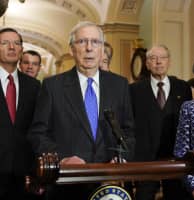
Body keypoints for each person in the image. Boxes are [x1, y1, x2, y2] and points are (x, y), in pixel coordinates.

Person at [27, 21, 135, 199]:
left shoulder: (119, 84)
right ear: (71, 49)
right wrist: (62, 159)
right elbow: (38, 134)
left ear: (102, 49)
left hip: (109, 183)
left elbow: (128, 131)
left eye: (95, 42)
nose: (89, 48)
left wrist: (121, 158)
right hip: (67, 184)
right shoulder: (53, 86)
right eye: (82, 42)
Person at [129, 44, 192, 200]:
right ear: (147, 64)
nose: (158, 62)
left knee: (177, 196)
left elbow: (189, 123)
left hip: (176, 158)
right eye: (153, 58)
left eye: (163, 58)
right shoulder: (134, 90)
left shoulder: (182, 87)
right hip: (145, 159)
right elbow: (129, 124)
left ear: (169, 61)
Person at [0, 27, 41, 199]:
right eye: (5, 43)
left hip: (25, 178)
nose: (12, 47)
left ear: (21, 50)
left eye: (16, 43)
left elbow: (39, 129)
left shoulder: (34, 86)